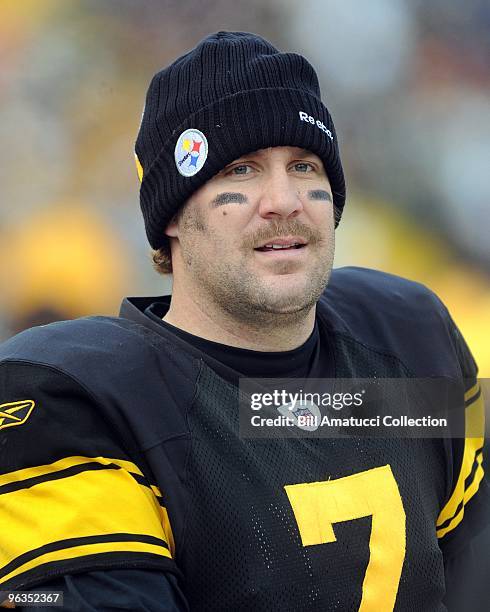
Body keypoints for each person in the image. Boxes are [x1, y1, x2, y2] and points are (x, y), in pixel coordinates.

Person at [0, 31, 488, 612]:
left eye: (304, 164)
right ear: (173, 215)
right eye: (240, 170)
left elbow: (472, 569)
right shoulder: (77, 402)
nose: (283, 199)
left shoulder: (408, 336)